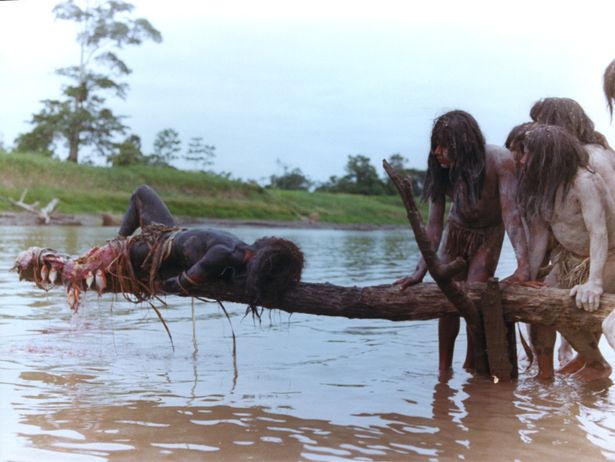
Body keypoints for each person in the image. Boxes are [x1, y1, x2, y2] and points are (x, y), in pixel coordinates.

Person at [14, 185, 304, 313]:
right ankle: (49, 258)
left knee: (142, 192)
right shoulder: (228, 254)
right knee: (82, 269)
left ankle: (115, 244)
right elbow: (178, 284)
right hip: (155, 243)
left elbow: (183, 281)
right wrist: (155, 284)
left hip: (164, 242)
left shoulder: (233, 254)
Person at [395, 110, 531, 374]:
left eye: (443, 146)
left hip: (487, 235)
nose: (436, 152)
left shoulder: (499, 161)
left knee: (474, 293)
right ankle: (443, 370)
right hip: (456, 232)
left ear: (463, 144)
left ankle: (473, 363)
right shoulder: (440, 170)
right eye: (434, 145)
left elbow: (511, 216)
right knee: (448, 297)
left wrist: (523, 268)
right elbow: (433, 229)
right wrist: (419, 272)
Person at [517, 124, 615, 382]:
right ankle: (549, 375)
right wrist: (528, 275)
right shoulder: (544, 186)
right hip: (569, 261)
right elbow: (540, 238)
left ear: (547, 155)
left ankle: (595, 364)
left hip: (609, 256)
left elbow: (598, 233)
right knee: (538, 302)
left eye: (528, 153)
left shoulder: (584, 181)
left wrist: (593, 282)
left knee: (571, 305)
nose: (523, 160)